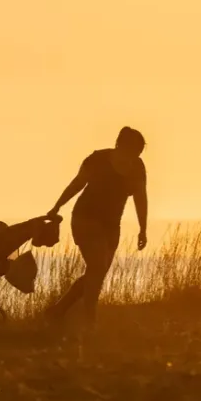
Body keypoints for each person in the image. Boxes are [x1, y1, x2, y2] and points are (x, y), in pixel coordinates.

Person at [44, 127, 148, 328]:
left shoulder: (137, 167)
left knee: (96, 273)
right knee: (97, 268)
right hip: (85, 219)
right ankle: (89, 321)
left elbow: (141, 198)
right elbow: (77, 184)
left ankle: (57, 311)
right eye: (133, 150)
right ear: (120, 145)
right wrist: (57, 206)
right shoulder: (97, 160)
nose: (135, 156)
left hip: (111, 226)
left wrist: (142, 229)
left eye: (139, 152)